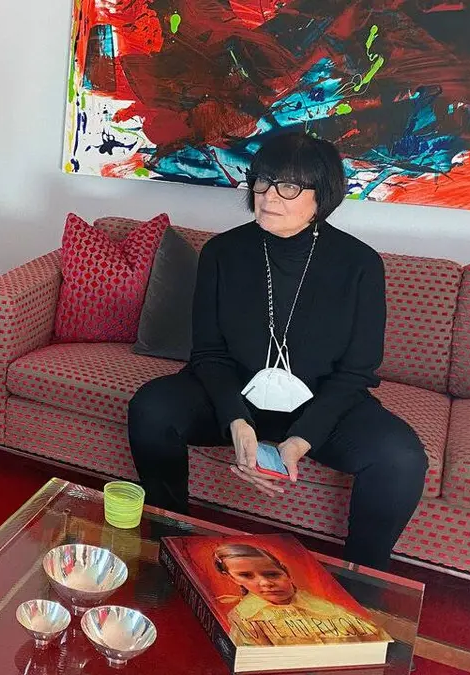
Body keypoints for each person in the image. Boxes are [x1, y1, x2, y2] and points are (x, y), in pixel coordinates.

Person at [127, 131, 428, 570]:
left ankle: (363, 579)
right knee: (152, 408)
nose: (268, 196)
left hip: (320, 403)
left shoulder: (360, 265)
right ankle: (170, 542)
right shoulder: (222, 252)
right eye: (263, 181)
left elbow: (356, 372)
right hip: (234, 392)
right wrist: (236, 421)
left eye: (288, 186)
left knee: (400, 458)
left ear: (322, 195)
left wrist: (303, 438)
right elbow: (208, 353)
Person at [213, 543, 384, 646]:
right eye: (246, 576)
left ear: (285, 572)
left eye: (272, 574)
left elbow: (373, 635)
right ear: (233, 578)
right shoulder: (247, 618)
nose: (265, 583)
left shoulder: (321, 603)